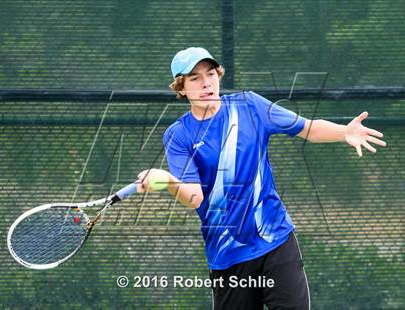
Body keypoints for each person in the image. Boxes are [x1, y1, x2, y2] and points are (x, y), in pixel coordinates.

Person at [136, 47, 386, 310]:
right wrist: (166, 180)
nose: (206, 82)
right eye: (195, 78)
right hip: (228, 255)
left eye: (210, 73)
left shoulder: (251, 106)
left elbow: (308, 129)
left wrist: (344, 131)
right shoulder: (179, 135)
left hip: (276, 241)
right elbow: (194, 197)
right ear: (181, 87)